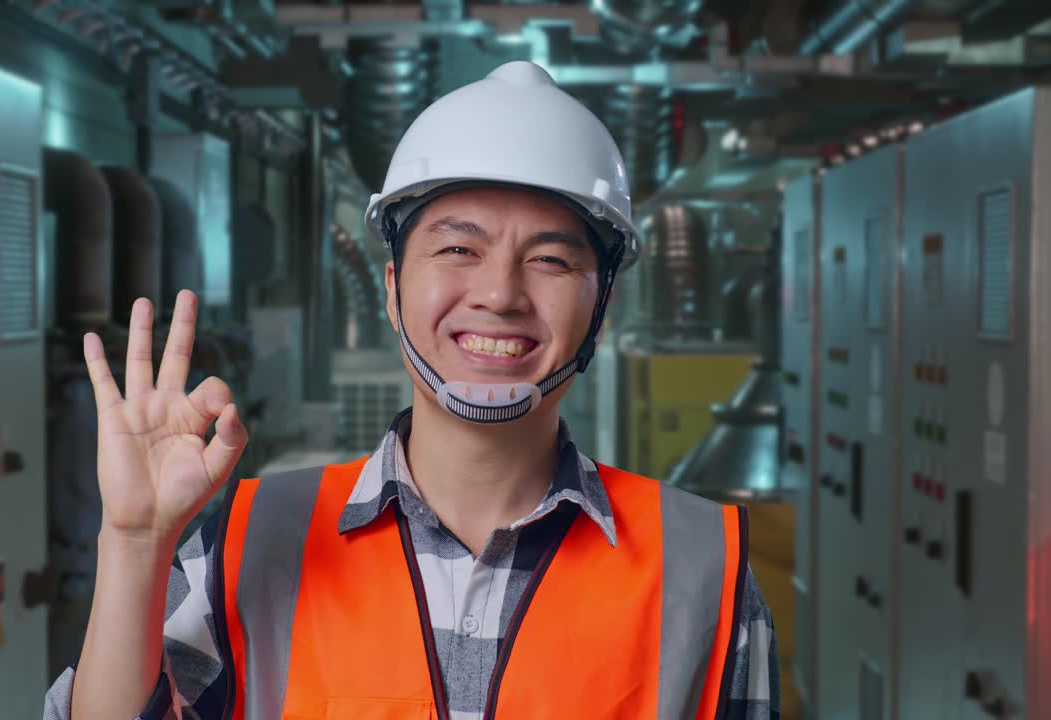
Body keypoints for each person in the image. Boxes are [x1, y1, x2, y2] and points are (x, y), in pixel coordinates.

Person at [45, 60, 779, 720]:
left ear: (603, 303)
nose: (499, 293)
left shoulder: (703, 571)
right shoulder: (249, 541)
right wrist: (134, 543)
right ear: (393, 288)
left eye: (551, 260)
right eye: (459, 248)